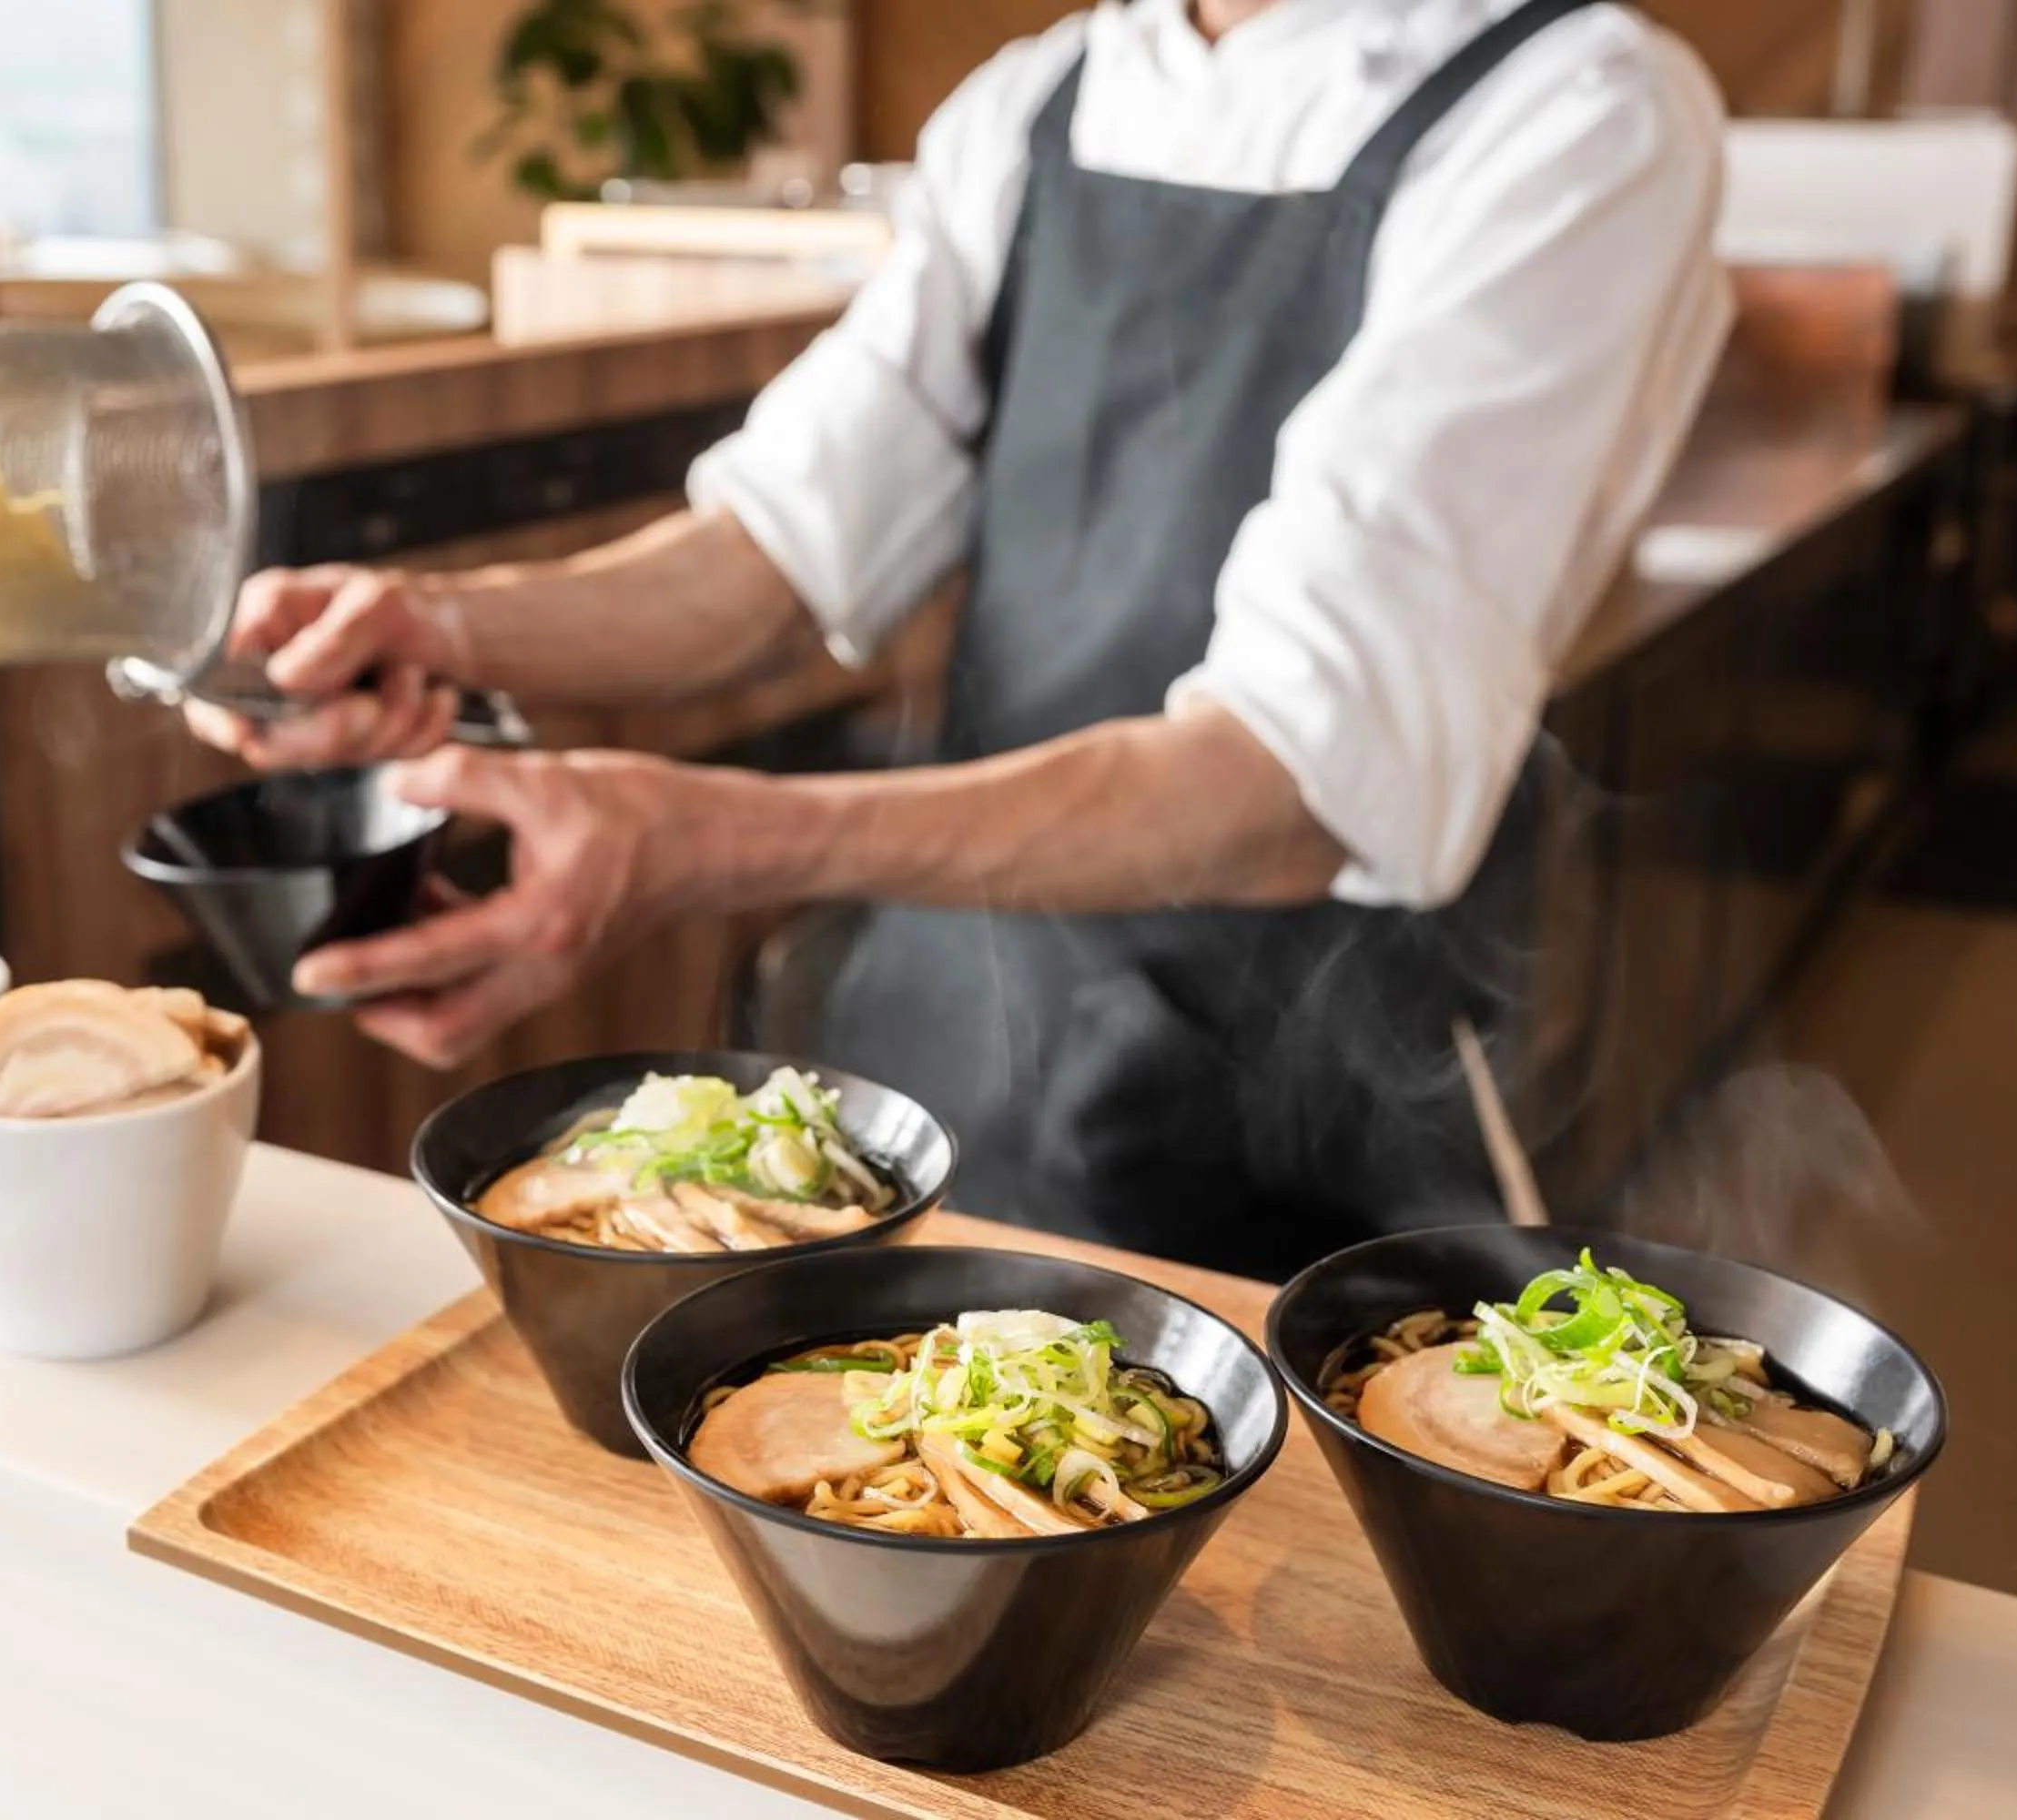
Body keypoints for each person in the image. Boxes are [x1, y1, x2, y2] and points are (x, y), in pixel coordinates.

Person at [189, 0, 1730, 1278]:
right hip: (941, 1031)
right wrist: (441, 625)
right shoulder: (1039, 104)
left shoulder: (1581, 116)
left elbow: (1288, 783)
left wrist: (701, 836)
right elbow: (770, 551)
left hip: (1307, 1112)